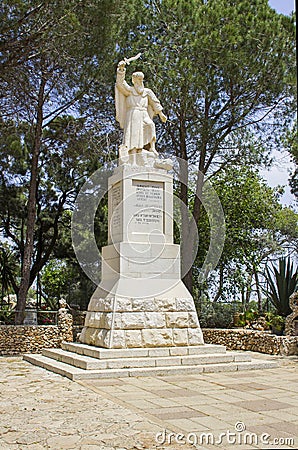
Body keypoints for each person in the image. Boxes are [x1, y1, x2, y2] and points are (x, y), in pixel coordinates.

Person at [115, 60, 167, 162]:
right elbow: (120, 83)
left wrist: (161, 114)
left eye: (141, 79)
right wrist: (121, 69)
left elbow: (154, 102)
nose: (140, 82)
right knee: (133, 136)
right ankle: (132, 156)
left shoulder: (147, 92)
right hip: (133, 114)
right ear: (134, 80)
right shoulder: (129, 90)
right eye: (138, 79)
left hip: (143, 113)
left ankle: (152, 147)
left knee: (150, 125)